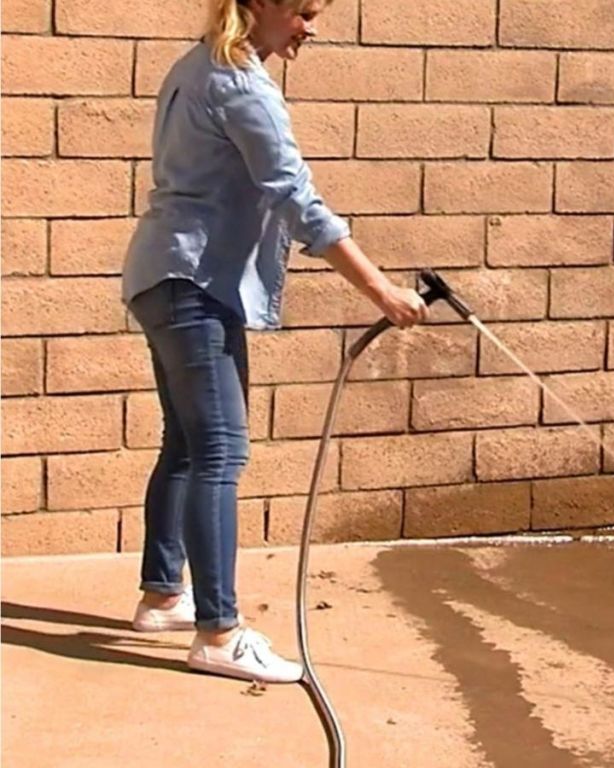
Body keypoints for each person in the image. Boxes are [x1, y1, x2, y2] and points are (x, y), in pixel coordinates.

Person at [122, 0, 428, 684]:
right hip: (192, 282)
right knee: (222, 452)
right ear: (258, 5)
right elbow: (297, 199)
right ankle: (220, 633)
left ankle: (164, 595)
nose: (309, 28)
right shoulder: (240, 82)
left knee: (187, 445)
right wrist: (382, 291)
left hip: (164, 275)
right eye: (301, 11)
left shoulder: (196, 66)